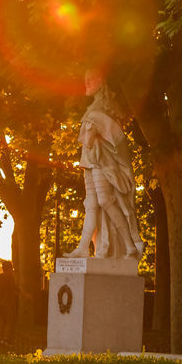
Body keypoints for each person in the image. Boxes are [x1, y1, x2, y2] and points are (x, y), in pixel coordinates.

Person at [66, 71, 144, 260]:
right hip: (90, 163)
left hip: (101, 163)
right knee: (91, 205)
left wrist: (91, 131)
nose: (86, 83)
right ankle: (83, 247)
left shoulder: (100, 109)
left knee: (105, 201)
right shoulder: (95, 108)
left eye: (90, 80)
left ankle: (129, 245)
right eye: (85, 80)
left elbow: (91, 140)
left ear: (100, 82)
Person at [0, 260, 20, 344]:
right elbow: (14, 289)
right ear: (9, 269)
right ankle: (6, 341)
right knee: (9, 324)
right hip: (8, 305)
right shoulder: (9, 278)